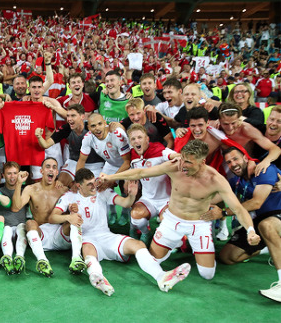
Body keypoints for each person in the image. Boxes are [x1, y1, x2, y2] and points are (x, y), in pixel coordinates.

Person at [100, 140, 261, 280]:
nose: (183, 165)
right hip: (172, 220)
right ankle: (172, 243)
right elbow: (141, 172)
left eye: (189, 162)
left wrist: (251, 231)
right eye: (183, 159)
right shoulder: (175, 166)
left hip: (199, 224)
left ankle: (182, 244)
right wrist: (111, 177)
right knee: (153, 261)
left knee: (207, 274)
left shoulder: (215, 180)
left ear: (202, 162)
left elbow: (238, 209)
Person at [56, 168, 190, 296]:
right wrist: (68, 217)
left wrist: (131, 195)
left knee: (138, 245)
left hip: (106, 236)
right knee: (87, 251)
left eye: (94, 182)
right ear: (79, 186)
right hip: (87, 239)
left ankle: (161, 277)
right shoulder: (69, 196)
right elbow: (53, 216)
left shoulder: (102, 192)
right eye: (89, 184)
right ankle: (97, 277)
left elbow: (125, 203)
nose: (93, 186)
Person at [213, 147, 281, 302]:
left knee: (267, 226)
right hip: (259, 220)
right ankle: (269, 248)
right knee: (227, 256)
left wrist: (224, 212)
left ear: (245, 157)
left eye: (235, 159)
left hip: (277, 213)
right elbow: (216, 196)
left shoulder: (264, 169)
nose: (233, 164)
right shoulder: (235, 180)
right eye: (229, 162)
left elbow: (257, 202)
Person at [10, 158, 73, 277]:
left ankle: (77, 258)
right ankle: (42, 259)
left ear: (57, 172)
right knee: (30, 223)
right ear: (42, 171)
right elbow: (15, 208)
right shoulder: (31, 189)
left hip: (60, 234)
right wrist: (19, 183)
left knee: (74, 222)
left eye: (54, 167)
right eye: (48, 167)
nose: (51, 169)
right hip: (40, 235)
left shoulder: (63, 190)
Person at [125, 124, 178, 244]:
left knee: (167, 221)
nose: (136, 141)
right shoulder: (133, 154)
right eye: (133, 139)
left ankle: (170, 241)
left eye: (139, 137)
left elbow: (172, 155)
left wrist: (180, 157)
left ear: (147, 139)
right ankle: (145, 233)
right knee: (135, 216)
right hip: (148, 199)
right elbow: (132, 170)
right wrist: (128, 181)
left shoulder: (159, 150)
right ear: (130, 142)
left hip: (167, 200)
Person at [35, 104, 104, 187]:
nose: (69, 119)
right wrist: (39, 136)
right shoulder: (66, 129)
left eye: (73, 116)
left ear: (82, 117)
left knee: (93, 189)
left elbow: (107, 129)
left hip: (96, 163)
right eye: (68, 116)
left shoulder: (91, 127)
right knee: (59, 185)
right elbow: (46, 145)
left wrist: (115, 126)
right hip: (74, 161)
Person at [218, 103, 280, 176]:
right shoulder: (213, 129)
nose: (230, 127)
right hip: (223, 168)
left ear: (238, 120)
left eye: (279, 121)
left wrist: (265, 161)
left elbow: (275, 149)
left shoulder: (247, 129)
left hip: (252, 169)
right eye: (225, 124)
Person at [76, 113, 131, 187]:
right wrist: (78, 181)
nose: (97, 128)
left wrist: (112, 178)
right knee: (100, 188)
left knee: (128, 188)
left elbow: (127, 162)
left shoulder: (117, 134)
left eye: (100, 124)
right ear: (88, 128)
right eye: (93, 126)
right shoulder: (88, 137)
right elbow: (81, 160)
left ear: (105, 123)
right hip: (111, 164)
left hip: (128, 165)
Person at [0, 162, 28, 275]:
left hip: (20, 226)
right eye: (9, 173)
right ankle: (7, 257)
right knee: (7, 229)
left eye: (15, 173)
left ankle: (19, 257)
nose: (12, 176)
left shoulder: (24, 191)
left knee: (21, 227)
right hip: (3, 229)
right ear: (3, 175)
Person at [253, 105, 281, 169]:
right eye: (272, 119)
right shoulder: (257, 128)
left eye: (279, 121)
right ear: (267, 119)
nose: (274, 123)